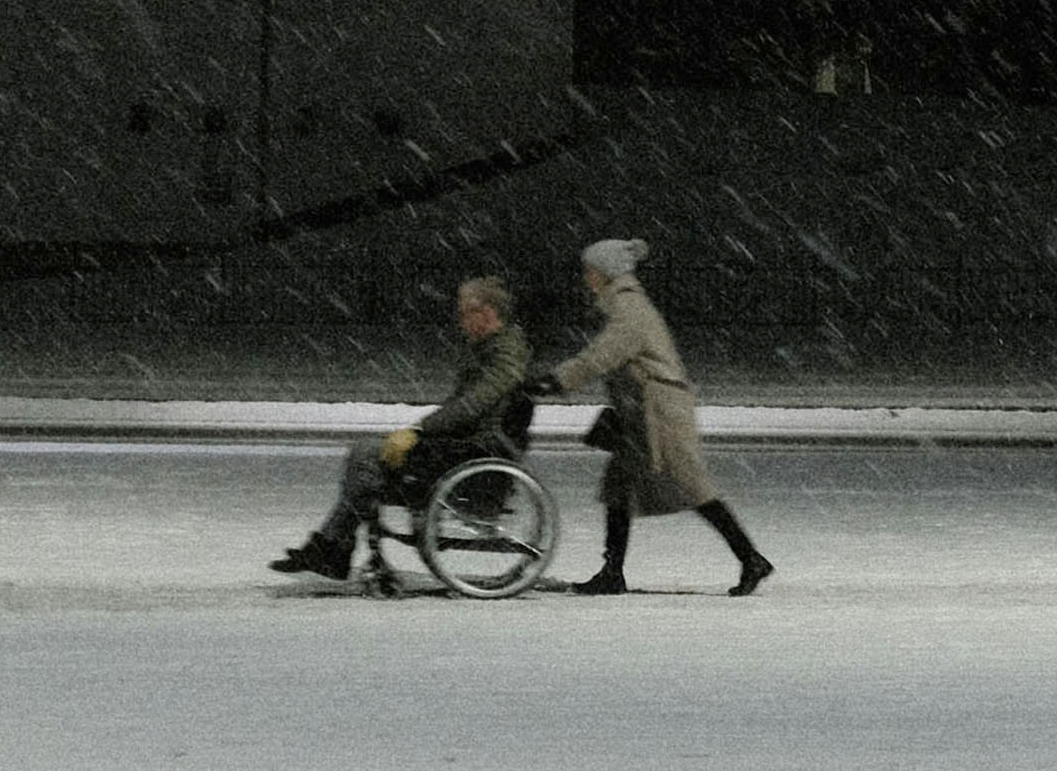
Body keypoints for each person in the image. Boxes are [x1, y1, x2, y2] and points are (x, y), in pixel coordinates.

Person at [524, 239, 773, 596]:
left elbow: (600, 357)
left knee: (692, 485)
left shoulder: (630, 308)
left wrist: (556, 381)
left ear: (606, 273)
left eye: (590, 271)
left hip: (660, 412)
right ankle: (612, 571)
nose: (586, 277)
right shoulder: (622, 304)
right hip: (641, 409)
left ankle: (750, 558)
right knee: (619, 488)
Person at [271, 276, 530, 580]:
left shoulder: (504, 355)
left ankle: (332, 547)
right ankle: (332, 545)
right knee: (366, 454)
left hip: (472, 451)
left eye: (464, 313)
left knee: (368, 457)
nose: (460, 321)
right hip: (465, 445)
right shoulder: (494, 350)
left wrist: (421, 431)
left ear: (486, 313)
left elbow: (471, 405)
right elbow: (466, 407)